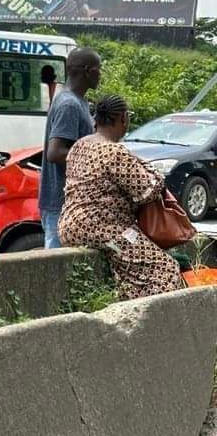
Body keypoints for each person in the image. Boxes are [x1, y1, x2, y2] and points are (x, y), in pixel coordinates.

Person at [58, 94, 183, 300]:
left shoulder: (79, 146)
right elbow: (147, 190)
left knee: (131, 269)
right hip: (105, 230)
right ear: (124, 118)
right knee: (165, 269)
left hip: (70, 225)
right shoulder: (115, 152)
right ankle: (152, 322)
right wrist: (156, 174)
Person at [39, 47, 101, 249]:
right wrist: (97, 157)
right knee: (58, 269)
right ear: (86, 70)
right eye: (98, 69)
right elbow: (54, 152)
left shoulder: (79, 101)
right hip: (60, 203)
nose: (100, 74)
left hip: (72, 203)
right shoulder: (69, 105)